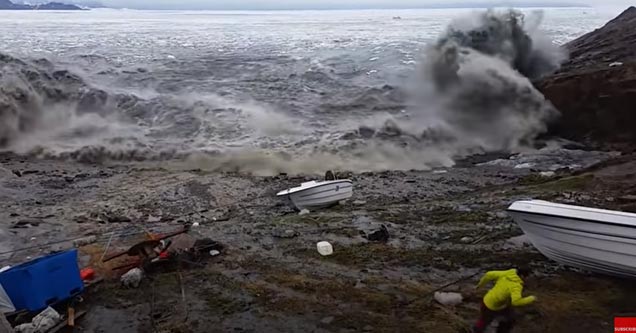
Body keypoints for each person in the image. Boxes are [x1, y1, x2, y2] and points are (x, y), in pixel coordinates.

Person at [473, 268, 536, 333]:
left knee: (485, 320)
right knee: (508, 320)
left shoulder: (508, 273)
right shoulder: (516, 286)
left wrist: (479, 285)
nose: (528, 279)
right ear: (522, 276)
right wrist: (531, 298)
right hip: (494, 307)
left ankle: (477, 330)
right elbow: (516, 302)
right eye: (528, 277)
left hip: (487, 300)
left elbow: (488, 274)